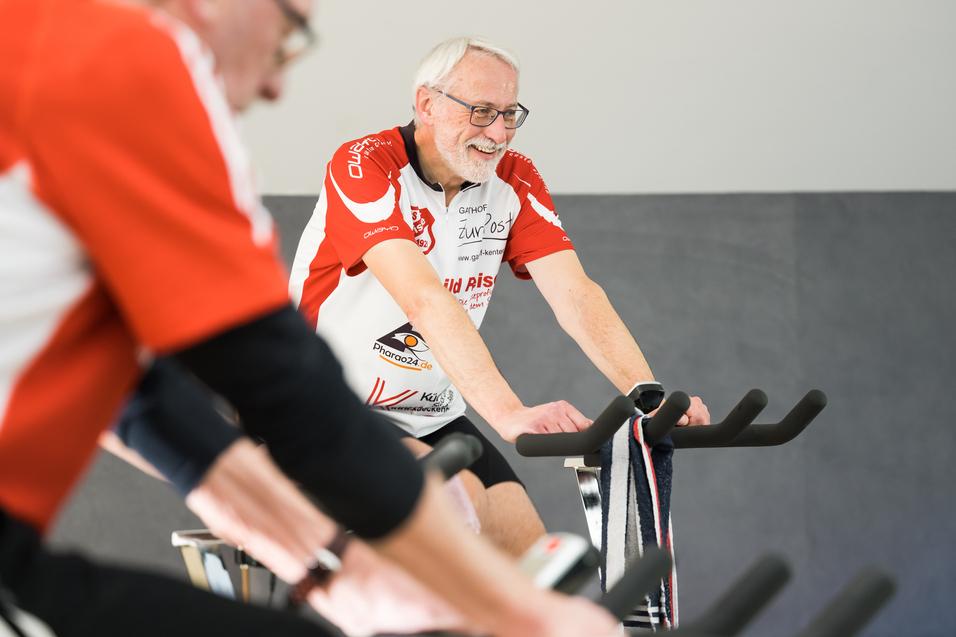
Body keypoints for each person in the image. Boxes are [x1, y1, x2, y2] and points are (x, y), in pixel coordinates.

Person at [0, 1, 621, 635]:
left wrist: (331, 570)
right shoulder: (121, 62)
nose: (277, 83)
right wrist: (506, 608)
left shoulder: (46, 66)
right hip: (356, 412)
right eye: (290, 31)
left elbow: (141, 399)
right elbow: (281, 380)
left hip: (424, 412)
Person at [289, 36, 711, 555]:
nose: (498, 134)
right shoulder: (364, 165)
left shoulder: (514, 178)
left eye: (510, 115)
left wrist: (646, 394)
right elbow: (424, 299)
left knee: (536, 567)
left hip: (432, 414)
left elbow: (575, 293)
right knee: (456, 498)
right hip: (323, 407)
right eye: (482, 111)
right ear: (426, 103)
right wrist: (508, 413)